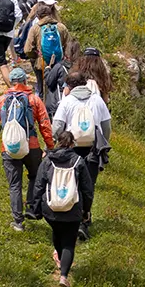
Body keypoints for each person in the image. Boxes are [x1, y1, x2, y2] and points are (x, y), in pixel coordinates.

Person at [0, 66, 54, 231]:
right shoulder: (34, 100)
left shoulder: (1, 100)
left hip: (9, 147)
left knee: (14, 185)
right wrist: (50, 146)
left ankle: (18, 222)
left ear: (11, 82)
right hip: (32, 146)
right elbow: (45, 123)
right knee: (35, 176)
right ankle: (30, 205)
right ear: (24, 81)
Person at [51, 70, 112, 239]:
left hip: (72, 149)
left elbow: (56, 127)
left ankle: (71, 218)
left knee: (73, 182)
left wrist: (60, 141)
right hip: (92, 150)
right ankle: (84, 220)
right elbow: (107, 127)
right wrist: (102, 144)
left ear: (69, 86)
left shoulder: (67, 101)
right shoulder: (97, 100)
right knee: (88, 185)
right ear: (85, 83)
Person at [32, 130, 94, 287]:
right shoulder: (79, 161)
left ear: (58, 142)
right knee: (68, 241)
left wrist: (36, 206)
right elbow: (87, 189)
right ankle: (64, 276)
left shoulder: (47, 161)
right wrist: (86, 210)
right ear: (73, 144)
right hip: (72, 209)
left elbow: (39, 185)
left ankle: (60, 260)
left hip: (51, 209)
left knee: (57, 234)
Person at [23, 1, 71, 98]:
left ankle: (43, 106)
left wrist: (36, 56)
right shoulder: (61, 27)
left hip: (42, 63)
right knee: (59, 86)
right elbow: (69, 45)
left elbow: (27, 50)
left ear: (38, 16)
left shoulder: (35, 28)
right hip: (59, 63)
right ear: (50, 14)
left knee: (42, 87)